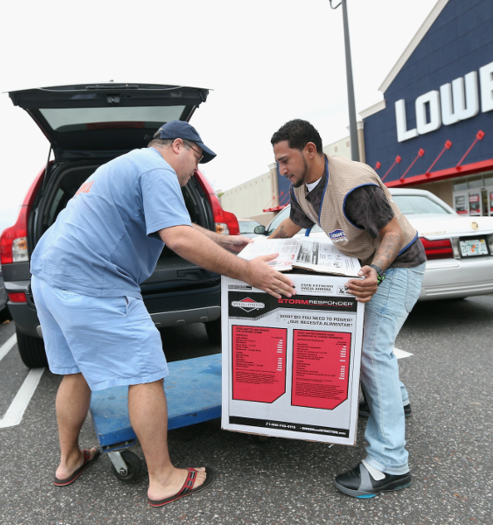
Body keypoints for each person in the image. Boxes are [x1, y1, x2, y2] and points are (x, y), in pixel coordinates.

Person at [31, 120, 295, 507]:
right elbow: (179, 238)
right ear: (177, 146)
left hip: (48, 276)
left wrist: (231, 242)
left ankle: (69, 460)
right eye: (197, 157)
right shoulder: (157, 170)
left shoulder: (129, 164)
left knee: (76, 370)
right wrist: (249, 271)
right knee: (147, 372)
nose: (196, 169)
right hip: (93, 283)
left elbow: (179, 225)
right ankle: (163, 478)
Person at [269, 119, 426, 498]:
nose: (282, 169)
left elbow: (392, 233)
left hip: (397, 265)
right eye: (277, 163)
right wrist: (255, 254)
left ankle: (391, 463)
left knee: (372, 352)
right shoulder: (304, 188)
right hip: (363, 265)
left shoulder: (353, 185)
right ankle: (397, 402)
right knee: (361, 346)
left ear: (310, 150)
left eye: (286, 159)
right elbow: (292, 223)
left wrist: (376, 270)